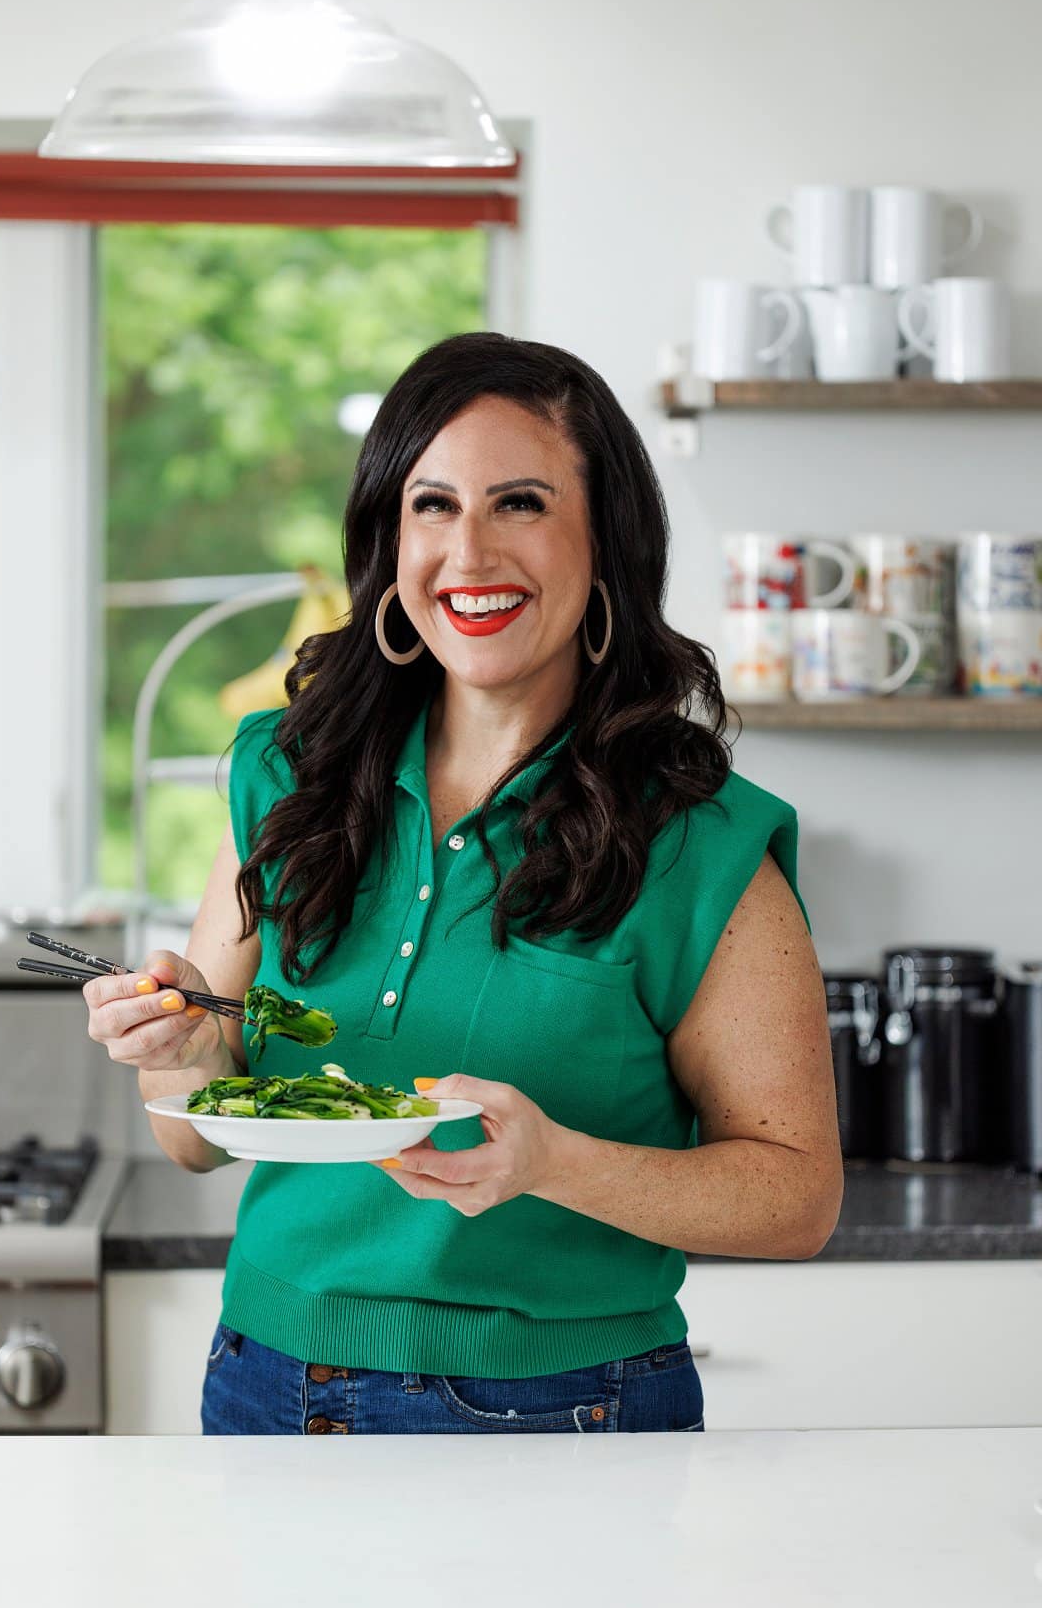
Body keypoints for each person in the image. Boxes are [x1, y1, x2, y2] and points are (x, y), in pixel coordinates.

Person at [84, 331, 842, 1436]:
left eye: (520, 503)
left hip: (567, 1410)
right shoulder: (289, 777)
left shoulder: (698, 838)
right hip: (268, 1386)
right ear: (389, 539)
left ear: (607, 540)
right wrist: (182, 1048)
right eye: (431, 505)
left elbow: (797, 1198)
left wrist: (557, 1162)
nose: (469, 553)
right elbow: (196, 1136)